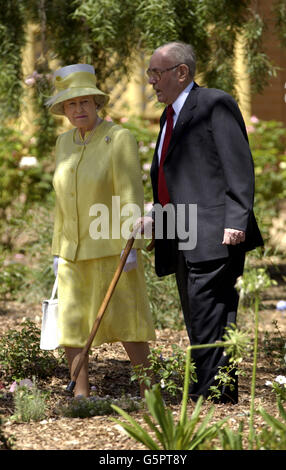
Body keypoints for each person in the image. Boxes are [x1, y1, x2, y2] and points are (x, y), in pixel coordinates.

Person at [140, 41, 263, 404]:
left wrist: (237, 219)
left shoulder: (214, 104)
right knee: (197, 315)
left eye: (156, 73)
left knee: (212, 313)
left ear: (181, 72)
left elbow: (238, 166)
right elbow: (173, 176)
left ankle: (211, 395)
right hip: (179, 231)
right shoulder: (168, 116)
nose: (151, 81)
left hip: (214, 230)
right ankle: (211, 391)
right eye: (149, 74)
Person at [46, 64, 156, 398]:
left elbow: (129, 194)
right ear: (64, 110)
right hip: (71, 251)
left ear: (97, 104)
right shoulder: (64, 143)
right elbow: (62, 200)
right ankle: (81, 395)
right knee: (73, 324)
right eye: (71, 104)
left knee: (129, 323)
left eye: (84, 102)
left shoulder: (118, 138)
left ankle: (150, 394)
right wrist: (57, 249)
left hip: (113, 249)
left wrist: (134, 243)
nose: (78, 109)